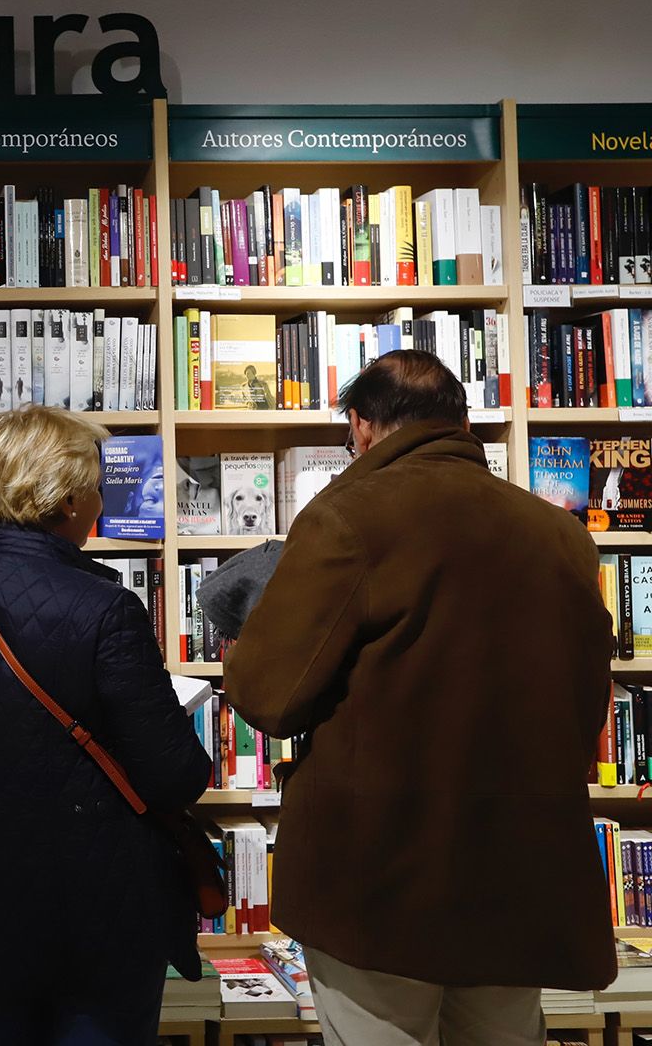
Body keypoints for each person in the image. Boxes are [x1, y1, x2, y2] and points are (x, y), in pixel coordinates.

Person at [222, 350, 615, 1046]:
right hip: (515, 868)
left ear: (361, 428)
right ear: (462, 422)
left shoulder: (347, 518)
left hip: (379, 877)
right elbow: (589, 703)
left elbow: (268, 697)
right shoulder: (559, 534)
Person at [0, 405, 210, 1046]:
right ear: (66, 499)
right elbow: (174, 774)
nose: (100, 499)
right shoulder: (108, 608)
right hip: (99, 906)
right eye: (94, 485)